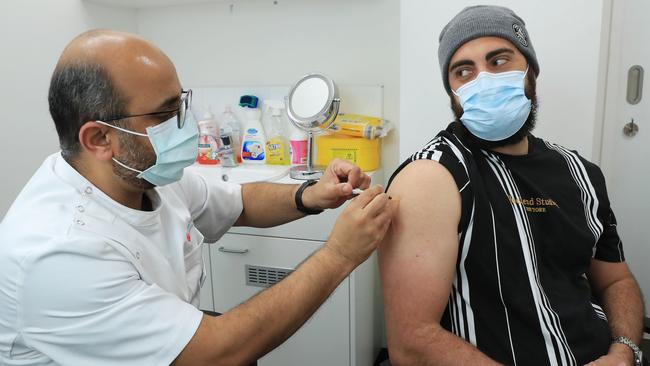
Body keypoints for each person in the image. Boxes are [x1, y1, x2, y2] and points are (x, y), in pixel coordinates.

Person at [0, 29, 396, 366]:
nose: (185, 125)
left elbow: (237, 201)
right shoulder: (59, 252)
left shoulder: (145, 173)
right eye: (165, 113)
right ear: (100, 138)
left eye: (181, 103)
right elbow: (217, 353)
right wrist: (339, 255)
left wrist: (311, 194)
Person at [379, 5, 644, 366]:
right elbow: (412, 344)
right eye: (463, 71)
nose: (483, 80)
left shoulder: (582, 173)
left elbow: (616, 281)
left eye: (499, 61)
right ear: (452, 92)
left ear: (530, 71)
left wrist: (625, 350)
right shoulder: (432, 177)